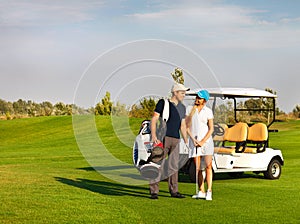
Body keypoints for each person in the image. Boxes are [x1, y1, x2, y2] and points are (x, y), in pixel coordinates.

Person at [149, 83, 189, 199]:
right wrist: (154, 136)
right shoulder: (163, 103)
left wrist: (186, 140)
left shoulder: (182, 107)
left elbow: (182, 125)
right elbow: (154, 119)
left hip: (176, 139)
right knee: (157, 164)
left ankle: (174, 191)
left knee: (173, 166)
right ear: (175, 92)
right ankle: (154, 191)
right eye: (182, 93)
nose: (184, 95)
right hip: (163, 138)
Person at [186, 90, 214, 200]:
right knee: (198, 167)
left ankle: (209, 191)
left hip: (206, 142)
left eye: (200, 98)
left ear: (204, 100)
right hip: (194, 142)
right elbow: (187, 127)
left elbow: (211, 129)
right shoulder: (190, 110)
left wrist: (202, 141)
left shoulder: (208, 111)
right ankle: (201, 191)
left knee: (208, 166)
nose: (197, 99)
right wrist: (193, 139)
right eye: (197, 97)